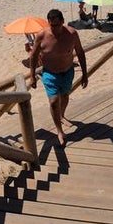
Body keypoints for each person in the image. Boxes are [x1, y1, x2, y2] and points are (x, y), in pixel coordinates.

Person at [29, 9, 88, 146]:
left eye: (57, 25)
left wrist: (85, 74)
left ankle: (61, 116)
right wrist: (32, 75)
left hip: (68, 72)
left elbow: (80, 52)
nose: (54, 28)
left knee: (65, 97)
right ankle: (59, 131)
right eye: (51, 25)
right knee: (54, 102)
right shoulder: (41, 36)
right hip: (50, 73)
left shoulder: (72, 34)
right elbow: (32, 56)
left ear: (62, 21)